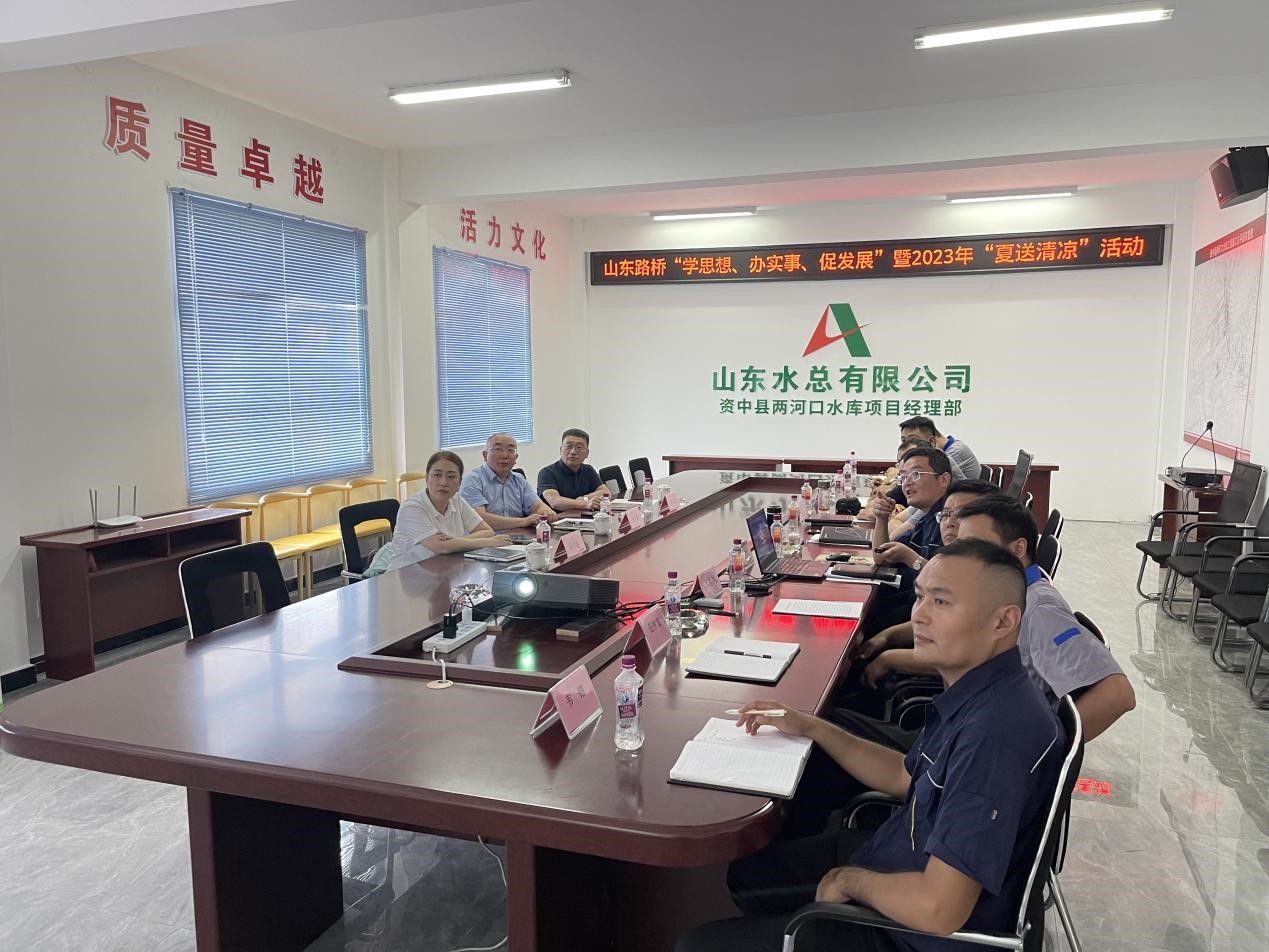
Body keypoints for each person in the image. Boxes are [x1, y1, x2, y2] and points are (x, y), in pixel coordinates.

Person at [677, 541, 1064, 952]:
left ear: (1003, 621)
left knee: (698, 945)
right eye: (920, 597)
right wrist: (812, 726)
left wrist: (847, 880)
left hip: (910, 935)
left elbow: (940, 909)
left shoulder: (994, 737)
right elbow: (903, 775)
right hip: (902, 854)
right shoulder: (983, 691)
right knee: (750, 873)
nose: (919, 615)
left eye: (942, 602)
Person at [861, 446, 953, 636]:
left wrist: (910, 558)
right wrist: (881, 518)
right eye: (903, 477)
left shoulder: (949, 522)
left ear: (943, 479)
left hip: (928, 620)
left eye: (916, 474)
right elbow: (882, 557)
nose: (907, 483)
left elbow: (949, 583)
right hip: (909, 605)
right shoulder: (925, 516)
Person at [371, 451, 510, 573]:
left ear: (460, 482)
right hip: (407, 578)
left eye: (451, 476)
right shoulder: (411, 508)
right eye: (437, 475)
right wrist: (488, 542)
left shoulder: (456, 500)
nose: (443, 482)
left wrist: (453, 542)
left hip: (444, 571)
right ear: (427, 478)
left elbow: (487, 531)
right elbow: (442, 547)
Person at [459, 432, 558, 530]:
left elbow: (537, 506)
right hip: (487, 537)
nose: (505, 455)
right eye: (498, 449)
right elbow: (479, 518)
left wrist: (546, 511)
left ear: (516, 458)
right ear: (485, 455)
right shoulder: (473, 480)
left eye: (510, 450)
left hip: (519, 536)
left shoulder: (519, 479)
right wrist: (523, 521)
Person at [537, 428, 610, 512]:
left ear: (587, 453)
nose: (573, 452)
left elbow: (606, 492)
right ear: (561, 450)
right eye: (568, 447)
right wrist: (585, 504)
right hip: (558, 518)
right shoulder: (547, 473)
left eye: (579, 447)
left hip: (582, 517)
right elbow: (555, 501)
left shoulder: (588, 470)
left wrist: (584, 498)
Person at [899, 416, 982, 480]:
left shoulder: (954, 452)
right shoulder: (947, 448)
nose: (907, 445)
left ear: (931, 441)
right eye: (903, 440)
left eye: (913, 440)